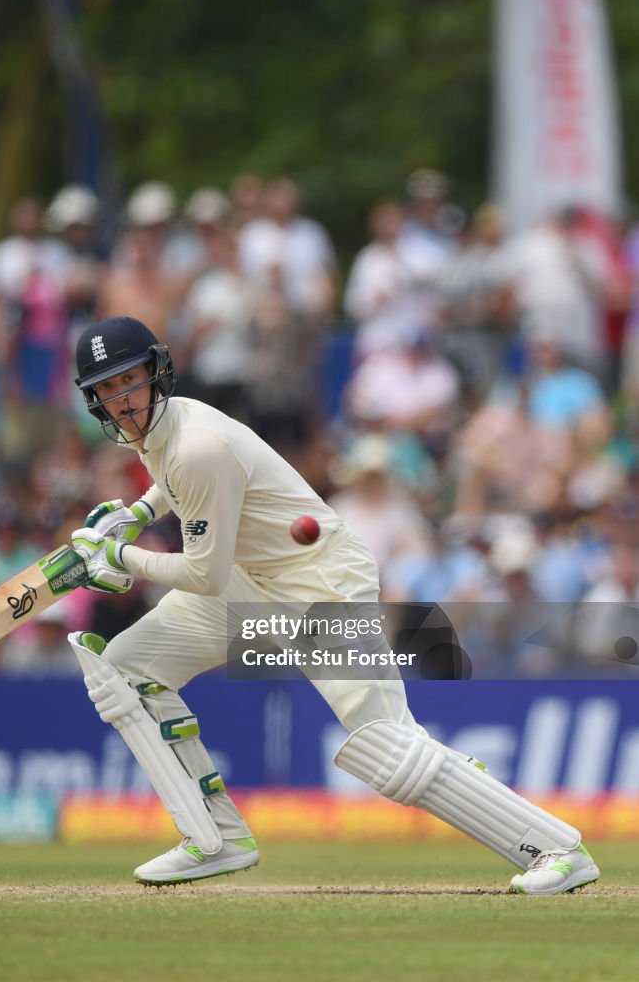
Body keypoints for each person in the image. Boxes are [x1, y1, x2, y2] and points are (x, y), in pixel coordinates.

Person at [65, 315, 600, 893]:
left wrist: (123, 557)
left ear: (155, 372)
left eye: (129, 382)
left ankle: (556, 850)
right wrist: (140, 515)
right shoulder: (164, 434)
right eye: (106, 390)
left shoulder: (195, 445)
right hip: (253, 584)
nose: (121, 400)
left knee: (387, 747)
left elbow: (201, 570)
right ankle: (214, 839)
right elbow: (178, 490)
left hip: (321, 586)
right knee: (125, 667)